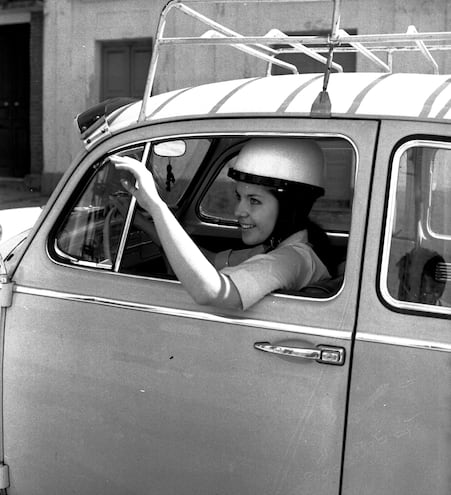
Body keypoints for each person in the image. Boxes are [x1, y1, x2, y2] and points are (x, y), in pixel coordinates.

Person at [110, 138, 331, 310]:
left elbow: (212, 292)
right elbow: (210, 261)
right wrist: (144, 221)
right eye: (239, 197)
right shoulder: (279, 245)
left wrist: (157, 205)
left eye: (254, 201)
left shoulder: (290, 259)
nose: (238, 211)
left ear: (290, 207)